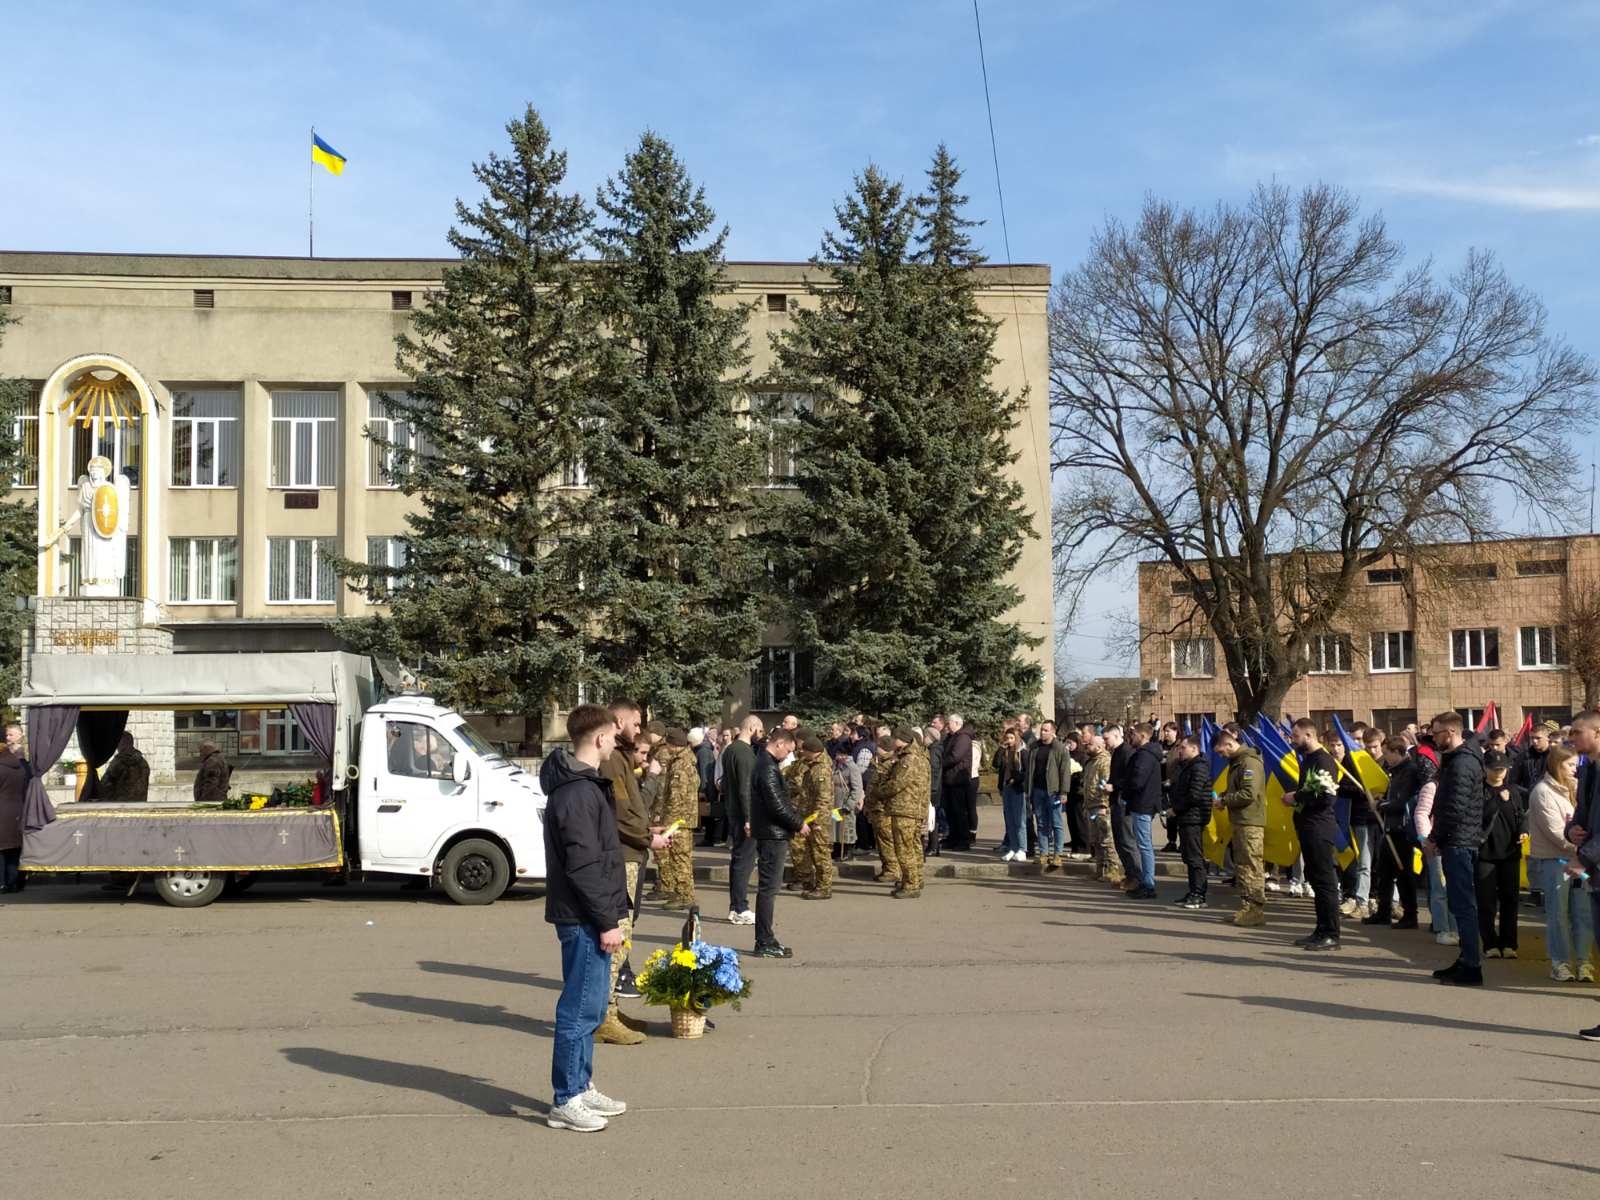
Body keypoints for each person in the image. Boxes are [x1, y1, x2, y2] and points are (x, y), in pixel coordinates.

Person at [538, 703, 630, 1133]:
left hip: (589, 913)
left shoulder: (584, 785)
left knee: (591, 1006)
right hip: (583, 916)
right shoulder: (576, 792)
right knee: (578, 1008)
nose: (616, 741)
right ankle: (566, 1098)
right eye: (613, 734)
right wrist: (607, 921)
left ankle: (581, 1084)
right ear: (598, 738)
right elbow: (583, 864)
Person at [1426, 711, 1486, 987]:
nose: (1433, 738)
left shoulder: (1462, 763)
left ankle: (1472, 965)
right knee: (1460, 903)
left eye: (1436, 733)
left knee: (1463, 905)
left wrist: (1435, 836)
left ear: (1450, 732)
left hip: (1460, 841)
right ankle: (1466, 959)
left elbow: (1455, 808)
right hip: (1459, 839)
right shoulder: (1458, 760)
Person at [1527, 745, 1593, 982]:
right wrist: (1584, 847)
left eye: (1577, 765)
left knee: (1583, 913)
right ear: (1557, 765)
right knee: (1558, 915)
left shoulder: (1576, 789)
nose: (1575, 770)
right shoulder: (1543, 792)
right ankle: (1560, 962)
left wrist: (1586, 853)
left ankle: (1584, 962)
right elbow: (1556, 832)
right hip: (1555, 861)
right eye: (1570, 765)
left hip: (1581, 860)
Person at [1283, 719, 1342, 951]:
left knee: (1325, 880)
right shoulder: (1309, 760)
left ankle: (1331, 933)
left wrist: (1296, 798)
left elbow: (1327, 796)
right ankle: (1321, 928)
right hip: (1308, 825)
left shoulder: (1323, 760)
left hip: (1320, 827)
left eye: (1295, 736)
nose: (1293, 741)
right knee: (1315, 878)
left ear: (1309, 735)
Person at [750, 726, 805, 958]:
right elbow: (776, 805)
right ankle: (764, 941)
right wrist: (798, 824)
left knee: (769, 888)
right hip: (773, 834)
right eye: (788, 750)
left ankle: (766, 938)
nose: (788, 755)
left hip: (770, 832)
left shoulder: (765, 763)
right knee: (769, 889)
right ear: (779, 744)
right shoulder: (768, 768)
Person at [1363, 737, 1422, 930]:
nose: (1384, 757)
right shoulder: (1395, 772)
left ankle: (1410, 915)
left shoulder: (1409, 771)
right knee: (1384, 872)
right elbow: (1392, 796)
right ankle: (1383, 911)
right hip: (1389, 827)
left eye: (1386, 753)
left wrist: (1380, 805)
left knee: (1404, 873)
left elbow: (1402, 801)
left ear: (1397, 752)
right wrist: (1383, 799)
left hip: (1401, 829)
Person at [1476, 749, 1526, 960]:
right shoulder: (1478, 790)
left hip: (1509, 852)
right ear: (1485, 769)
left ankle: (1509, 942)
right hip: (1485, 853)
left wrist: (1524, 830)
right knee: (1486, 901)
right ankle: (1490, 943)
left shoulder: (1513, 791)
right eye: (1494, 769)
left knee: (1510, 899)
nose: (1498, 773)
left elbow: (1521, 815)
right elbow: (1477, 817)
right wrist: (1497, 801)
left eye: (1502, 769)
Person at [1215, 725, 1265, 925]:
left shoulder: (1249, 763)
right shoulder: (1237, 763)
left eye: (1221, 751)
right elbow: (1236, 789)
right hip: (1240, 820)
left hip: (1250, 821)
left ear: (1229, 744)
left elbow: (1248, 793)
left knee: (1252, 865)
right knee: (1243, 866)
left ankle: (1255, 908)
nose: (1220, 756)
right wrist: (1224, 796)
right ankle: (1246, 907)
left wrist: (1225, 801)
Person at [884, 726, 932, 898]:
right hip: (914, 809)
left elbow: (897, 784)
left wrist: (879, 791)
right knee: (913, 847)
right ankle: (915, 879)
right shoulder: (919, 756)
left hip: (906, 808)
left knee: (905, 849)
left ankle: (911, 885)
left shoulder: (909, 759)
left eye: (893, 739)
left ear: (900, 739)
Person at [1331, 738, 1377, 917]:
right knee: (1354, 861)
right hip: (1350, 819)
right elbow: (1346, 788)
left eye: (1339, 744)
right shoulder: (1337, 762)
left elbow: (1366, 788)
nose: (1335, 748)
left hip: (1370, 819)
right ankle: (1355, 898)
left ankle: (1374, 900)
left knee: (1370, 863)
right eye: (1332, 745)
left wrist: (1340, 788)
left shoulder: (1363, 762)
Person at [655, 729, 700, 911]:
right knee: (681, 858)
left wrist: (668, 823)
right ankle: (681, 893)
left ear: (673, 745)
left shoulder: (680, 765)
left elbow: (676, 797)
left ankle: (684, 896)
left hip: (678, 821)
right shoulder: (686, 761)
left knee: (680, 858)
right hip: (683, 819)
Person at [722, 715, 761, 926]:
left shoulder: (731, 750)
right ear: (752, 728)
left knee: (739, 860)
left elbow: (726, 783)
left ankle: (735, 906)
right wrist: (749, 817)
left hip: (734, 812)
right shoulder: (744, 753)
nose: (761, 735)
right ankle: (740, 907)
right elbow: (746, 788)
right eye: (760, 731)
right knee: (744, 861)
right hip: (744, 815)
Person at [1168, 735, 1211, 908]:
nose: (1180, 750)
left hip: (1194, 817)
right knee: (1188, 856)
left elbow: (1194, 795)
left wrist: (1176, 809)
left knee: (1195, 857)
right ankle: (1193, 890)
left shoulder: (1199, 767)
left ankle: (1199, 894)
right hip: (1186, 817)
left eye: (1183, 748)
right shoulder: (1186, 767)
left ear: (1194, 749)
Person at [1120, 724, 1162, 899]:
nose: (1131, 737)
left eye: (1134, 734)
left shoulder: (1144, 756)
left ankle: (1148, 884)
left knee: (1144, 846)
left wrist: (1126, 793)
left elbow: (1137, 780)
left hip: (1142, 804)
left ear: (1143, 736)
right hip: (1142, 803)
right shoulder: (1145, 754)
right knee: (1142, 844)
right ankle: (1146, 882)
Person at [1022, 721, 1072, 870]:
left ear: (1052, 732)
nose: (1042, 733)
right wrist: (1027, 790)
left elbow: (1065, 771)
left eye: (1045, 730)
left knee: (1056, 823)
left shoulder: (1060, 748)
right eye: (1041, 730)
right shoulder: (1035, 747)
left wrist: (1064, 792)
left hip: (1054, 792)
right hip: (1037, 790)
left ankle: (1057, 854)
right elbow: (1029, 770)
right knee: (1042, 823)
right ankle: (1044, 853)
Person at [792, 733, 835, 900]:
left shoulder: (821, 769)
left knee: (821, 853)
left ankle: (824, 887)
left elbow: (823, 798)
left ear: (812, 751)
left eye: (804, 751)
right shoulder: (813, 765)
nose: (801, 753)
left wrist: (817, 822)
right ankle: (811, 882)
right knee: (810, 850)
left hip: (818, 819)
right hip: (808, 815)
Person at [1079, 733, 1119, 883]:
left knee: (1106, 840)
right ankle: (1099, 870)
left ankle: (1113, 870)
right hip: (1090, 806)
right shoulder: (1090, 763)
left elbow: (1105, 784)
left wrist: (1104, 804)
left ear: (1099, 746)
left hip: (1101, 807)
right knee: (1095, 840)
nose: (1086, 747)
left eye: (1089, 745)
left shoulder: (1105, 762)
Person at [1105, 725, 1138, 887]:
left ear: (1117, 736)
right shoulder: (1116, 752)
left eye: (1107, 739)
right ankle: (1129, 874)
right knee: (1119, 841)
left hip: (1124, 802)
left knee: (1127, 841)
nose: (1105, 743)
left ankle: (1136, 877)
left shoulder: (1127, 752)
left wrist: (1115, 785)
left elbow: (1131, 778)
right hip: (1115, 801)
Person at [992, 727, 1028, 862]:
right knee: (1010, 820)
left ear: (1017, 738)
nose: (1009, 741)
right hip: (1006, 788)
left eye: (1012, 738)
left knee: (1019, 821)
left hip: (1018, 789)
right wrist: (1001, 748)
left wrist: (1016, 779)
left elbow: (1027, 772)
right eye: (1007, 738)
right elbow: (995, 764)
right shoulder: (1005, 752)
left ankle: (1022, 849)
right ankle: (1013, 847)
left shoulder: (1022, 752)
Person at [941, 714, 976, 851]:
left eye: (949, 723)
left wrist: (941, 764)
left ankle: (963, 839)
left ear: (957, 723)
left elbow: (955, 756)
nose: (947, 726)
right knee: (950, 811)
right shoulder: (951, 737)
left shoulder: (963, 737)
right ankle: (953, 837)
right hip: (949, 778)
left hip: (958, 779)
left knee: (959, 811)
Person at [0, 723, 27, 894]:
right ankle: (15, 882)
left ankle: (2, 883)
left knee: (1, 849)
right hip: (17, 810)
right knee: (15, 848)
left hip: (1, 812)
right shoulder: (20, 768)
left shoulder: (1, 769)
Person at [691, 727, 722, 847]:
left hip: (707, 788)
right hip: (707, 787)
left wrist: (703, 790)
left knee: (708, 813)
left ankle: (709, 838)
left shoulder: (703, 751)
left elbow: (704, 771)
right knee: (708, 813)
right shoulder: (702, 750)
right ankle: (709, 838)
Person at [832, 744, 863, 862]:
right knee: (836, 826)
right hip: (836, 800)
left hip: (846, 801)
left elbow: (857, 788)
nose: (839, 756)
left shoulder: (852, 767)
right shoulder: (835, 766)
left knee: (847, 826)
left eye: (841, 754)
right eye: (837, 754)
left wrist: (849, 805)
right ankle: (837, 848)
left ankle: (848, 850)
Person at [98, 732, 150, 803]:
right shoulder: (144, 763)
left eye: (118, 743)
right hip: (139, 808)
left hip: (119, 808)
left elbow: (103, 786)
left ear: (122, 743)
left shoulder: (119, 762)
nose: (117, 746)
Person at [1157, 722, 1180, 852]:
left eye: (1169, 731)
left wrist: (1172, 780)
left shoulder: (1179, 746)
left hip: (1176, 785)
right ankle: (1171, 841)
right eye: (1165, 731)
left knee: (1178, 814)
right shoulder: (1161, 746)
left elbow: (1181, 766)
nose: (1166, 734)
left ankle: (1183, 842)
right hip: (1163, 785)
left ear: (1176, 732)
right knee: (1169, 814)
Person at [193, 739, 231, 804]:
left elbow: (211, 783)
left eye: (201, 751)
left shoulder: (212, 761)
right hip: (217, 799)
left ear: (207, 749)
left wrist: (202, 801)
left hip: (211, 801)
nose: (200, 754)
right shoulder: (219, 758)